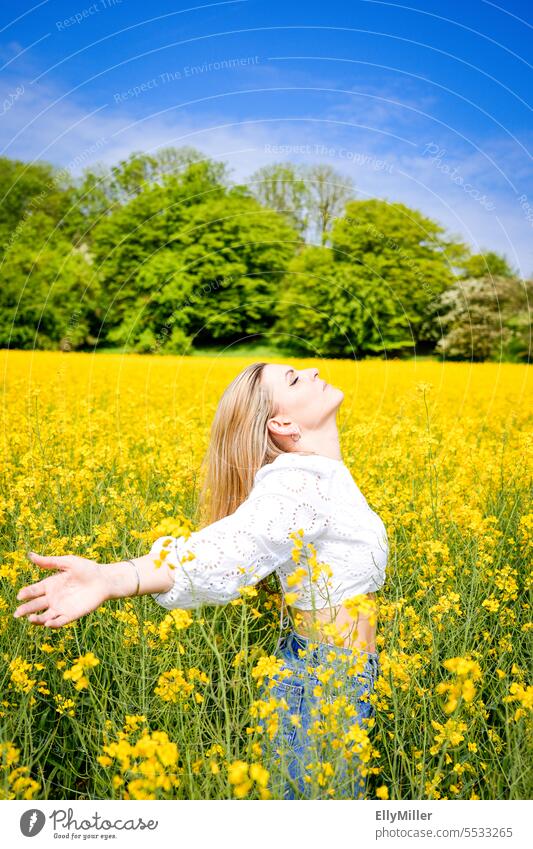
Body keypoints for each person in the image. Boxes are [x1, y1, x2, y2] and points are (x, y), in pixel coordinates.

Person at [13, 362, 388, 800]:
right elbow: (231, 547)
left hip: (334, 678)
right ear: (282, 424)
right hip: (321, 683)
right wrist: (114, 577)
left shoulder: (319, 476)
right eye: (293, 378)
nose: (312, 369)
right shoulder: (300, 483)